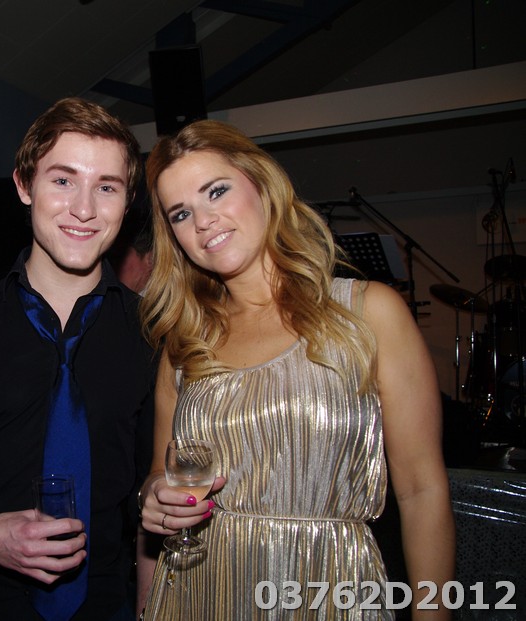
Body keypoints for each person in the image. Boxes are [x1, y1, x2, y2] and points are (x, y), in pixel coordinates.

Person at [135, 120, 455, 619]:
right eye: (181, 213)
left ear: (263, 186)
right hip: (199, 591)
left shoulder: (367, 312)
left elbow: (422, 491)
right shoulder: (185, 342)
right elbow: (162, 474)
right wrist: (154, 494)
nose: (203, 221)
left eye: (216, 191)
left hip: (327, 588)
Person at [0, 97, 157, 620]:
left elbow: (151, 495)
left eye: (107, 187)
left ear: (127, 202)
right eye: (62, 180)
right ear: (23, 185)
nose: (84, 208)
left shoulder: (153, 335)